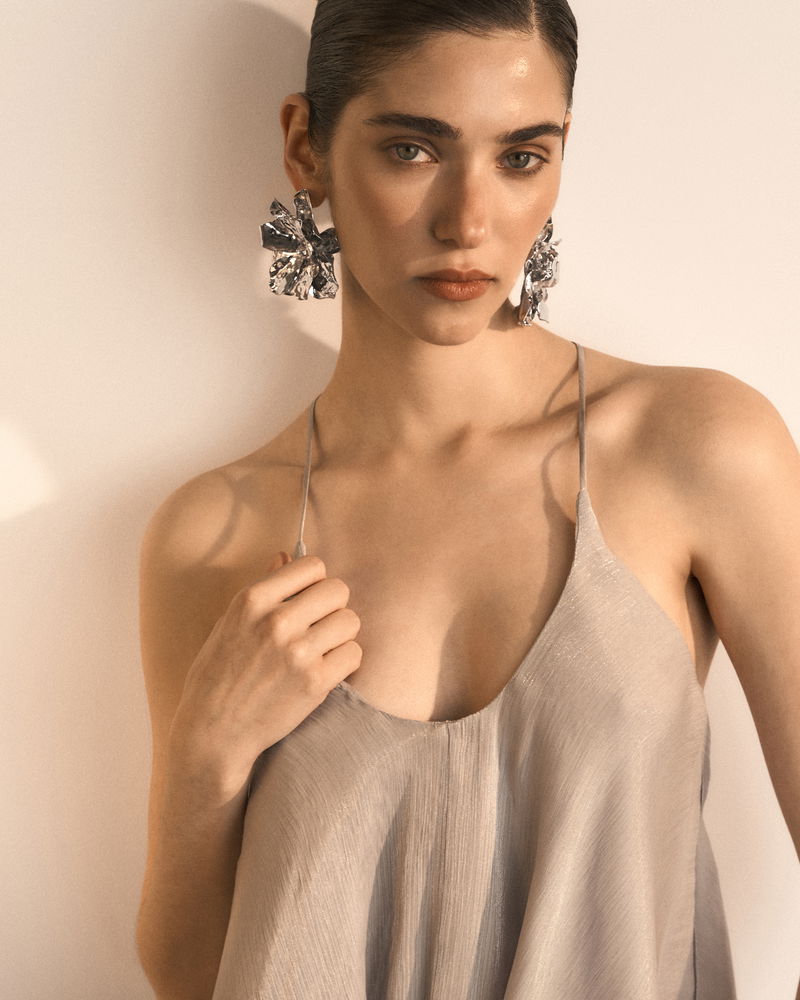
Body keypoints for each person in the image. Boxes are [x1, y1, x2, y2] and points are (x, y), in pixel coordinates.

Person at [134, 1, 800, 998]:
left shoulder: (694, 447)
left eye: (520, 157)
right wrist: (205, 757)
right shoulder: (213, 535)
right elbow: (192, 977)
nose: (469, 222)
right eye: (411, 150)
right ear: (306, 147)